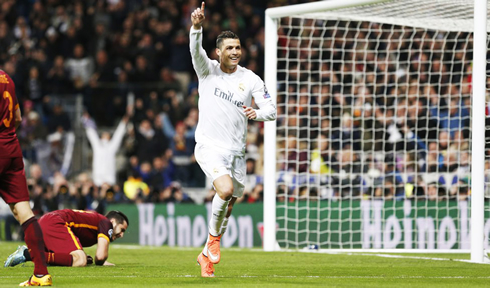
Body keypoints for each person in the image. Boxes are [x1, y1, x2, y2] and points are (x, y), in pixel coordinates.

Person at [189, 2, 276, 278]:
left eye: (237, 47)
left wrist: (256, 114)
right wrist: (196, 27)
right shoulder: (207, 71)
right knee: (224, 191)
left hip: (237, 153)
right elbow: (195, 50)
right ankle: (213, 241)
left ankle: (205, 255)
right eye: (229, 48)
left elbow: (271, 111)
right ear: (219, 52)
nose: (235, 52)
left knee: (228, 204)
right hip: (209, 146)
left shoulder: (250, 79)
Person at [0, 69, 52, 286]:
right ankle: (41, 274)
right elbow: (19, 117)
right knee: (25, 213)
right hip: (12, 146)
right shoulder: (7, 78)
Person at [4, 209, 128, 268]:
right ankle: (27, 254)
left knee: (76, 259)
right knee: (80, 260)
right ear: (113, 221)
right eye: (122, 229)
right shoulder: (106, 223)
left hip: (47, 221)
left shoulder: (98, 222)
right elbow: (100, 257)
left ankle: (32, 254)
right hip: (55, 222)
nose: (121, 235)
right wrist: (100, 262)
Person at [81, 108, 131, 187]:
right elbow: (91, 133)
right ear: (101, 137)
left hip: (109, 178)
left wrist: (126, 117)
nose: (105, 134)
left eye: (107, 134)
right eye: (104, 134)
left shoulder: (112, 146)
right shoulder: (97, 145)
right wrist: (86, 118)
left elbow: (119, 133)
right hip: (98, 178)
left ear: (110, 137)